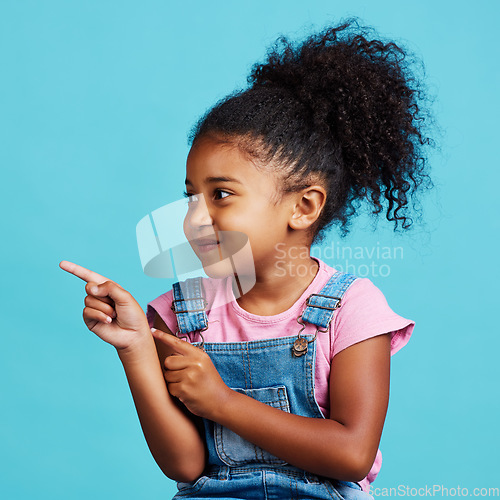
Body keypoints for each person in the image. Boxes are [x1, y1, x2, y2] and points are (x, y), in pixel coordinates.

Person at [60, 17, 434, 499]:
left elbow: (351, 454)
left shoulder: (353, 309)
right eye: (191, 196)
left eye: (221, 195)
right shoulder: (182, 313)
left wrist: (222, 402)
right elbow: (187, 465)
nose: (195, 218)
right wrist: (135, 349)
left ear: (303, 207)